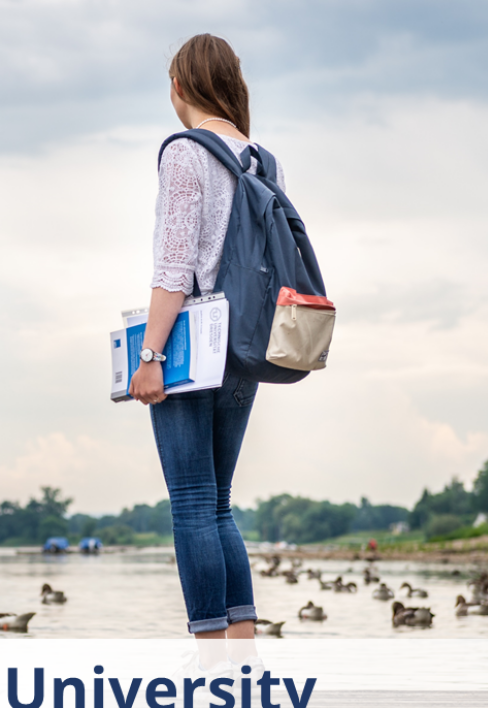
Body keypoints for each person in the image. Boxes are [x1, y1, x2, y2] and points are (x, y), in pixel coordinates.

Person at [128, 33, 284, 675]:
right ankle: (242, 661)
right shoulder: (262, 159)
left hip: (195, 344)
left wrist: (151, 356)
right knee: (219, 503)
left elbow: (175, 267)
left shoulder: (185, 155)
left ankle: (210, 666)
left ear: (182, 87)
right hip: (246, 343)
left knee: (191, 502)